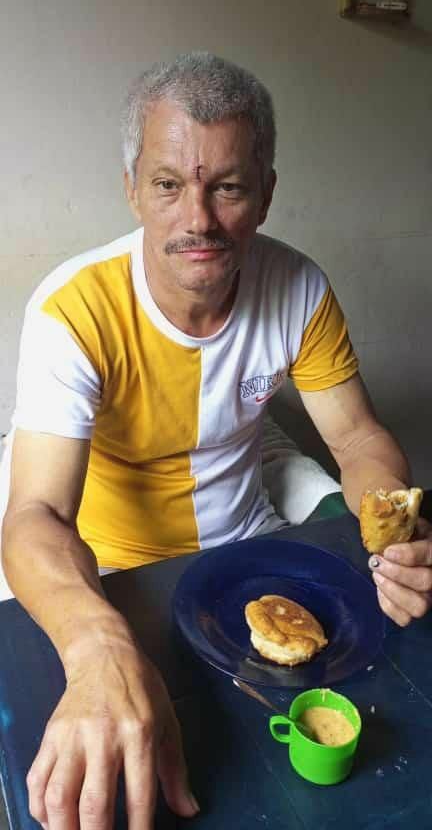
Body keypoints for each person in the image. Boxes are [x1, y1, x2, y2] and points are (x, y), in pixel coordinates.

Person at [1, 52, 431, 830]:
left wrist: (390, 529)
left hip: (247, 554)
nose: (197, 219)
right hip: (112, 576)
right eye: (169, 185)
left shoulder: (300, 287)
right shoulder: (72, 310)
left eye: (227, 187)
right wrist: (97, 645)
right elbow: (35, 514)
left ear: (266, 192)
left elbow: (359, 438)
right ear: (132, 189)